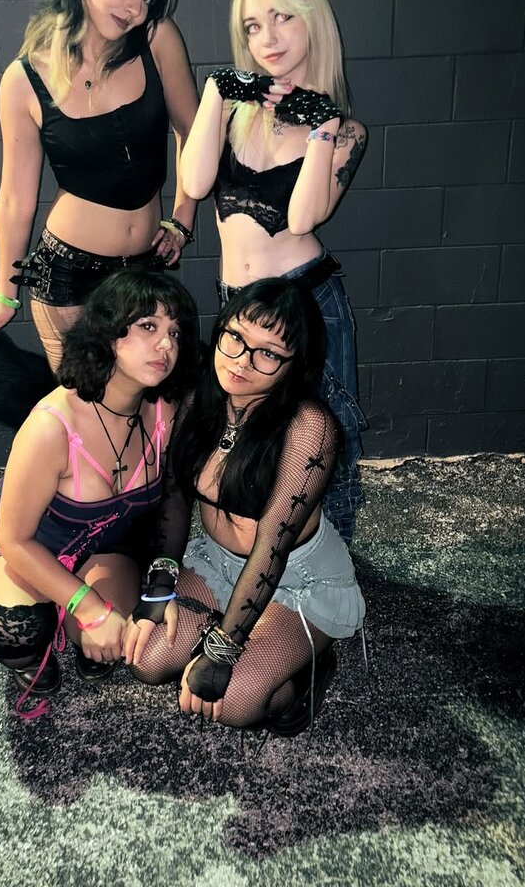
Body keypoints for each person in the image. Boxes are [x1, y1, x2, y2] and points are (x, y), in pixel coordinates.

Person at [0, 0, 199, 371]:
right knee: (87, 408)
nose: (135, 7)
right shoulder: (24, 80)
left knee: (153, 398)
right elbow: (15, 200)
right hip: (68, 279)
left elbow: (193, 132)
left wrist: (183, 218)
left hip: (145, 268)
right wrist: (5, 293)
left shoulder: (156, 39)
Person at [125, 278, 365, 735]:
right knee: (147, 659)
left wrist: (222, 650)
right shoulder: (199, 399)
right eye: (235, 337)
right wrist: (160, 586)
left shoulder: (309, 428)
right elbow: (175, 499)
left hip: (295, 580)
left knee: (232, 703)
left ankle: (301, 671)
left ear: (295, 365)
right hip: (218, 563)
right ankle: (238, 636)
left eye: (268, 353)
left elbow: (272, 550)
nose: (241, 361)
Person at [180, 0, 368, 541]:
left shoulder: (345, 131)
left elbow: (304, 216)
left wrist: (321, 126)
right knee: (249, 432)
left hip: (307, 304)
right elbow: (193, 183)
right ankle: (259, 551)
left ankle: (331, 558)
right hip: (238, 307)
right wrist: (214, 95)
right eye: (253, 25)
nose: (268, 37)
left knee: (325, 437)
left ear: (314, 21)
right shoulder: (235, 114)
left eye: (283, 17)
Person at [0, 269, 198, 719]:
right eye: (148, 326)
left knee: (126, 641)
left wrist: (160, 583)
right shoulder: (51, 425)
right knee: (14, 632)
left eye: (174, 332)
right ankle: (38, 646)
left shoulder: (165, 412)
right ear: (106, 333)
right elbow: (13, 539)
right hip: (32, 543)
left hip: (110, 547)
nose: (166, 345)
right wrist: (88, 606)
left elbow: (175, 502)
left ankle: (80, 630)